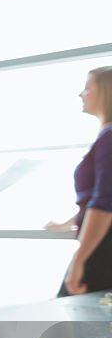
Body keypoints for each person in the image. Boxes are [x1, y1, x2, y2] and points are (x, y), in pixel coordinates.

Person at [50, 67, 112, 295]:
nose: (81, 94)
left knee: (75, 326)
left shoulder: (109, 138)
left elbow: (104, 203)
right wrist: (68, 223)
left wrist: (79, 259)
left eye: (87, 88)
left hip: (102, 249)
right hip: (101, 245)